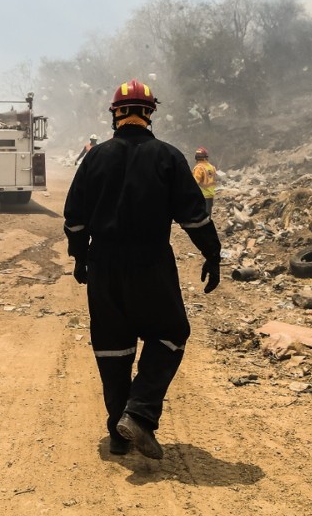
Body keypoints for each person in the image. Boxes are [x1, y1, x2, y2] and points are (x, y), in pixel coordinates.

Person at [63, 78, 221, 459]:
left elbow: (75, 219)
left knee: (113, 349)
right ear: (149, 114)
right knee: (170, 334)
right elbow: (194, 217)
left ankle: (119, 432)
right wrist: (212, 254)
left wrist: (80, 257)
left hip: (104, 265)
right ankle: (139, 413)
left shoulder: (95, 157)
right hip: (151, 264)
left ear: (116, 113)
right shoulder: (169, 157)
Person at [192, 147, 218, 216]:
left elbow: (194, 183)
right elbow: (214, 180)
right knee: (208, 215)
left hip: (202, 195)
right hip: (210, 194)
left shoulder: (199, 168)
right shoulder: (212, 167)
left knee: (201, 217)